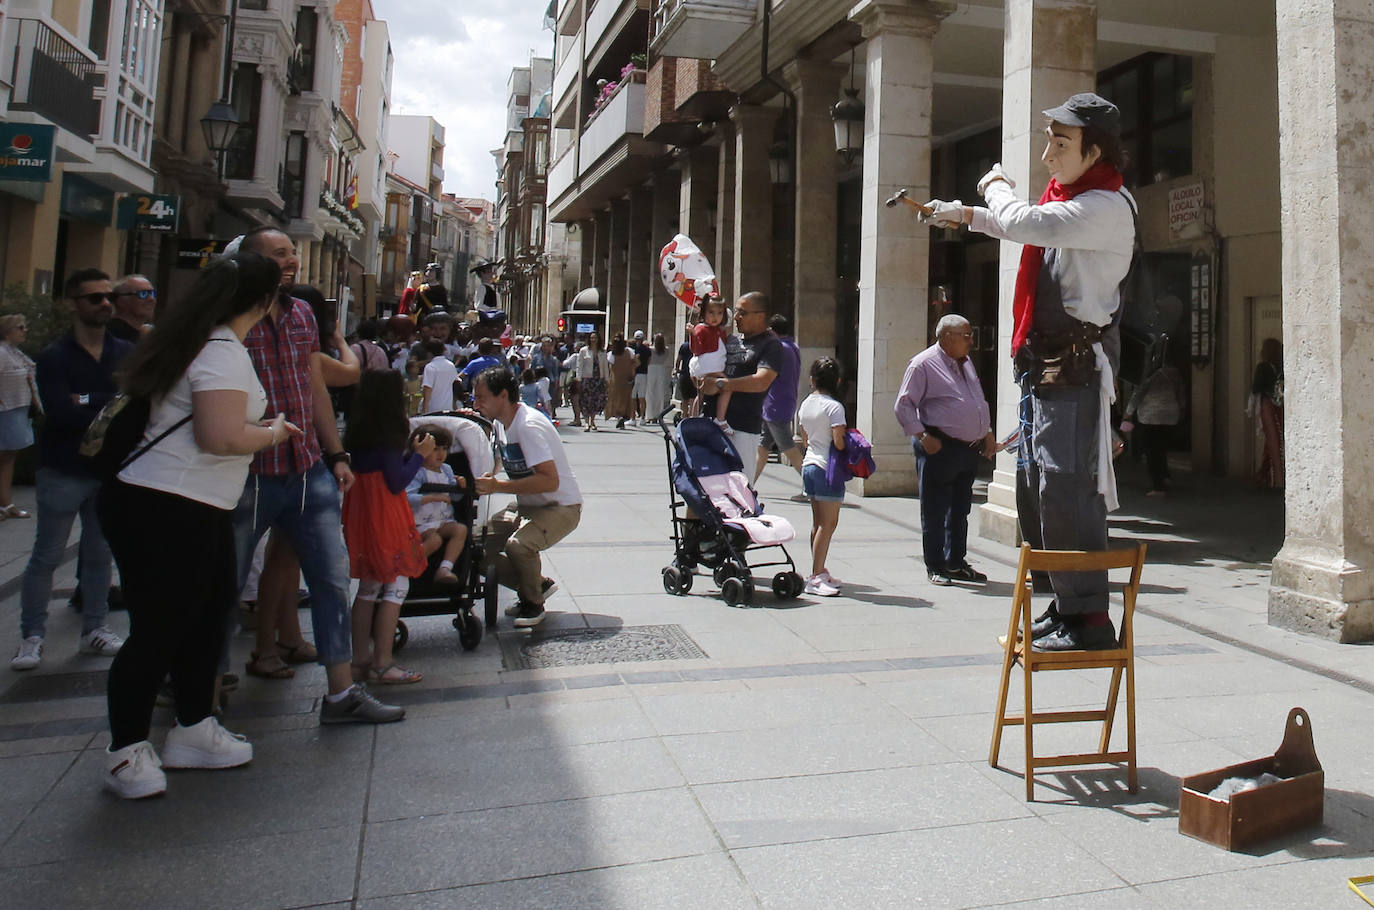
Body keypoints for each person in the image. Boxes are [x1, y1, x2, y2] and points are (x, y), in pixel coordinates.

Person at [921, 91, 1135, 651]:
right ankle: (1066, 607)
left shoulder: (1105, 206)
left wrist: (993, 189)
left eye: (1060, 144)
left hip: (1074, 370)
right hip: (1045, 369)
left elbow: (1028, 222)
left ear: (1095, 150)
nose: (1047, 156)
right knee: (1038, 489)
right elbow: (1025, 225)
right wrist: (964, 214)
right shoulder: (1074, 198)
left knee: (1067, 490)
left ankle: (1089, 621)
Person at [97, 253, 298, 798]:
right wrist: (276, 432)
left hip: (193, 502)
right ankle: (125, 750)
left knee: (208, 618)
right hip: (167, 502)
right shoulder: (221, 353)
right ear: (262, 302)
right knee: (161, 628)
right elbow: (222, 436)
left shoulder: (195, 341)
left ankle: (193, 728)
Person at [232, 226, 404, 723]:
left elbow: (315, 391)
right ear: (251, 261)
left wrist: (335, 455)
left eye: (292, 253)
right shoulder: (230, 319)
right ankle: (199, 682)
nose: (291, 261)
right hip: (249, 470)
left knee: (330, 579)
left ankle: (340, 691)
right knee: (225, 578)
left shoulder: (303, 314)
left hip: (306, 467)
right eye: (278, 254)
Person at [12, 269, 129, 672]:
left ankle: (95, 628)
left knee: (100, 554)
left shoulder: (123, 352)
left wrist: (87, 399)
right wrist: (107, 400)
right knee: (46, 555)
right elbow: (59, 412)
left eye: (108, 296)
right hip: (63, 468)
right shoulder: (54, 357)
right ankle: (32, 636)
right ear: (73, 304)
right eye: (94, 298)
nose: (104, 304)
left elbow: (130, 405)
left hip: (107, 470)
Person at [472, 366, 582, 629]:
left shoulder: (528, 426)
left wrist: (496, 486)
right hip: (528, 504)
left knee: (518, 545)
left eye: (481, 397)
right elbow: (501, 464)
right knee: (474, 548)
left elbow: (549, 480)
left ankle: (533, 603)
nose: (476, 403)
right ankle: (536, 584)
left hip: (560, 506)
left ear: (502, 396)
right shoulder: (501, 424)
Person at [894, 314, 996, 587]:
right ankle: (935, 565)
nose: (971, 341)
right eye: (966, 335)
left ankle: (956, 561)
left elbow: (975, 399)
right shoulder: (922, 364)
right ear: (946, 337)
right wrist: (922, 435)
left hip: (966, 448)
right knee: (935, 508)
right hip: (938, 445)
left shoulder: (965, 362)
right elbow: (903, 405)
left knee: (960, 509)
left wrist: (986, 431)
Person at [342, 371, 430, 685]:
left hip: (362, 513)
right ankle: (383, 661)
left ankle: (359, 660)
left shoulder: (357, 431)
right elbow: (397, 480)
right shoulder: (390, 432)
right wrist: (419, 457)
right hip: (386, 514)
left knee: (367, 588)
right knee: (396, 586)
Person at [703, 292, 783, 459]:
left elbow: (762, 381)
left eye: (742, 313)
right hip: (710, 423)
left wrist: (722, 385)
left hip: (741, 430)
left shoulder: (771, 344)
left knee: (738, 482)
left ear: (760, 316)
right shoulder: (731, 340)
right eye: (735, 311)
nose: (736, 317)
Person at [797, 357, 847, 597]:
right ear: (836, 380)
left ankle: (818, 570)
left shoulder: (805, 404)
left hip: (809, 464)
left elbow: (805, 439)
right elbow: (838, 441)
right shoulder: (834, 407)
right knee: (829, 524)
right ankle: (816, 576)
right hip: (828, 467)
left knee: (818, 523)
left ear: (812, 380)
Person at [406, 423, 467, 585]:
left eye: (444, 449)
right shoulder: (417, 472)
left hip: (443, 519)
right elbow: (407, 497)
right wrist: (432, 497)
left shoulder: (447, 470)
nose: (441, 454)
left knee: (461, 530)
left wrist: (458, 487)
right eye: (435, 449)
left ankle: (445, 568)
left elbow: (454, 499)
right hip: (421, 522)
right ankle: (408, 565)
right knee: (435, 540)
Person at [1124, 359, 1186, 496]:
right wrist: (1181, 408)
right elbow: (1180, 390)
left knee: (1152, 451)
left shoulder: (1148, 372)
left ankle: (1158, 487)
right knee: (1161, 448)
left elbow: (1138, 394)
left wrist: (1128, 413)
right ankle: (1165, 476)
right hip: (1170, 414)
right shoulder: (1173, 371)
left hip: (1151, 416)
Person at [756, 312, 804, 482]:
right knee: (763, 446)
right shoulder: (793, 347)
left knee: (787, 447)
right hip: (782, 402)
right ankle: (748, 485)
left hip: (775, 404)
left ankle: (811, 486)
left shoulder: (780, 349)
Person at [0, 314, 38, 517]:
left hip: (19, 409)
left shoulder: (16, 353)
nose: (25, 331)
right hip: (5, 411)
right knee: (3, 456)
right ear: (8, 331)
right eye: (20, 327)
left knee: (9, 457)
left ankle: (6, 503)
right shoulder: (2, 353)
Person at [689, 297, 733, 432]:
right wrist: (693, 334)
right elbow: (696, 350)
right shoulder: (701, 329)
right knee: (728, 387)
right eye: (711, 312)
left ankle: (693, 417)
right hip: (708, 367)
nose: (715, 317)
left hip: (714, 366)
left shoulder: (719, 330)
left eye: (719, 313)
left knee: (701, 394)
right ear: (703, 313)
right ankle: (720, 419)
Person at [1251, 337, 1283, 489]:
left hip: (1268, 405)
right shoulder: (1281, 366)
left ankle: (1272, 478)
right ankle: (1271, 476)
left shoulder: (1263, 367)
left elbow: (1256, 388)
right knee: (1278, 440)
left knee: (1272, 441)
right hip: (1280, 406)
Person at [575, 332, 609, 432]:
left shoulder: (602, 352)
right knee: (585, 401)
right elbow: (579, 365)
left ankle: (592, 421)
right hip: (587, 379)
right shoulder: (583, 351)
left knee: (596, 401)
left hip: (598, 380)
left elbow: (605, 366)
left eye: (595, 338)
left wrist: (607, 379)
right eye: (591, 338)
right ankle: (586, 422)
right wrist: (578, 378)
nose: (593, 340)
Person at [106, 274, 156, 342]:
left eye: (153, 293)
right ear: (120, 301)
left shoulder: (144, 332)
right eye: (143, 294)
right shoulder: (110, 333)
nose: (151, 299)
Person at [607, 334, 637, 429]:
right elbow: (635, 363)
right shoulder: (630, 352)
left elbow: (610, 366)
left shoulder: (611, 354)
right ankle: (626, 416)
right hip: (627, 379)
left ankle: (619, 416)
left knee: (616, 399)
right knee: (627, 399)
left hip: (616, 380)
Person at [420, 341, 458, 414]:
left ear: (429, 352)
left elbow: (427, 389)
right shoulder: (451, 365)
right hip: (448, 408)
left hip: (432, 409)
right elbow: (455, 384)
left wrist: (424, 411)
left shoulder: (430, 367)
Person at [645, 332, 670, 421]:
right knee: (659, 393)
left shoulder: (650, 349)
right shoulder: (666, 350)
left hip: (651, 369)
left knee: (650, 393)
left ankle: (649, 415)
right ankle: (658, 414)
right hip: (661, 369)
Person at [630, 330, 652, 426]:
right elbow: (648, 362)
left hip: (636, 374)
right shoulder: (647, 350)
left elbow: (636, 361)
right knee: (642, 397)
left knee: (633, 397)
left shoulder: (635, 349)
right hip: (644, 373)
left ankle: (633, 419)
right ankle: (643, 418)